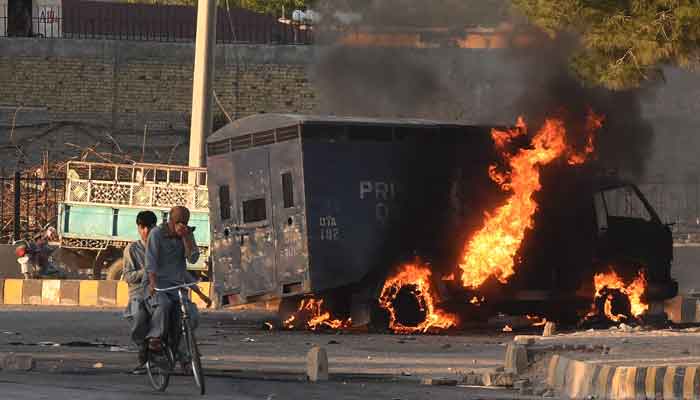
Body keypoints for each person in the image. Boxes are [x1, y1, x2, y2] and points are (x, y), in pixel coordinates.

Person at [144, 206, 212, 354]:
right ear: (171, 220)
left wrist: (186, 238)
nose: (182, 225)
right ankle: (155, 337)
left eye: (184, 222)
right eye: (179, 222)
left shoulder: (187, 234)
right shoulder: (157, 234)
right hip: (158, 285)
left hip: (177, 286)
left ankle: (182, 352)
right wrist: (153, 283)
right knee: (164, 305)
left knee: (191, 314)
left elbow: (192, 260)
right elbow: (151, 262)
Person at [123, 210, 157, 374]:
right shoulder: (132, 249)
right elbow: (128, 276)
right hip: (138, 292)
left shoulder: (161, 246)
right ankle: (143, 349)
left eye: (148, 228)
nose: (145, 232)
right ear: (138, 228)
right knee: (138, 316)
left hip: (158, 290)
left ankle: (185, 358)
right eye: (142, 228)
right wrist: (146, 272)